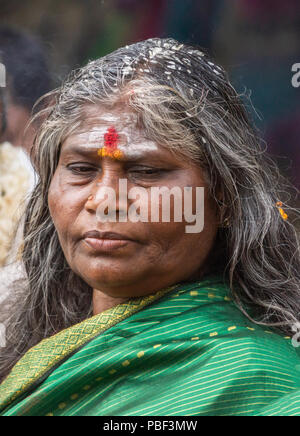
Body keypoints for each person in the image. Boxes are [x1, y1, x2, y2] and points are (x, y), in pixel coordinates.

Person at [0, 38, 299, 416]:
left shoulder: (263, 384)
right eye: (81, 169)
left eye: (146, 172)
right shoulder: (28, 345)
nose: (104, 200)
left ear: (223, 196)